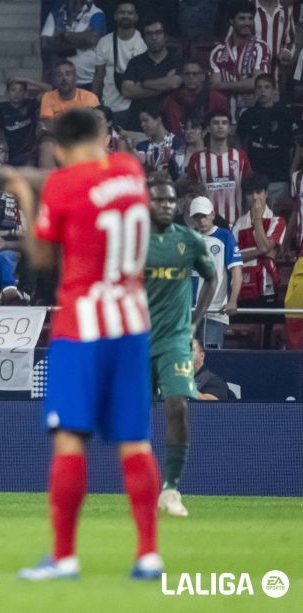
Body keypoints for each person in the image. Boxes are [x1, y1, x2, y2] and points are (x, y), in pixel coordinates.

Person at [0, 108, 165, 581]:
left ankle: (65, 557)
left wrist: (24, 196)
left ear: (62, 149)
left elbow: (43, 256)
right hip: (132, 321)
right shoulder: (130, 172)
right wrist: (1, 171)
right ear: (103, 136)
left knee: (70, 437)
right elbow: (72, 177)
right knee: (134, 442)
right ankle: (148, 553)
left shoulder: (66, 187)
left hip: (83, 325)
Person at [144, 176, 216, 518]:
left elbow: (212, 277)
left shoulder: (189, 239)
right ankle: (143, 483)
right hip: (138, 338)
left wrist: (194, 321)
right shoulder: (133, 242)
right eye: (159, 200)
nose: (166, 206)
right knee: (136, 417)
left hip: (174, 339)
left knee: (178, 406)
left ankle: (171, 488)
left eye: (171, 201)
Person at [236, 74, 301, 202]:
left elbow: (298, 144)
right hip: (255, 178)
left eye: (267, 87)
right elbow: (240, 142)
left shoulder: (286, 114)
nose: (263, 91)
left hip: (280, 177)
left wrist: (292, 169)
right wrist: (246, 169)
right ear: (255, 91)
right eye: (259, 87)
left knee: (279, 219)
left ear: (274, 90)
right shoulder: (248, 115)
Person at [189, 197, 243, 349]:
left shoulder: (225, 236)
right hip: (188, 312)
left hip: (214, 311)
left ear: (212, 215)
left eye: (204, 216)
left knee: (211, 360)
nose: (201, 221)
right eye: (197, 217)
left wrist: (233, 301)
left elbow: (237, 270)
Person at [185, 111, 252, 227]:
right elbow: (190, 193)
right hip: (206, 225)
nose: (220, 126)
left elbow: (250, 188)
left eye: (224, 123)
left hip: (236, 224)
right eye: (216, 123)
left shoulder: (240, 156)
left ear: (230, 128)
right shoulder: (196, 159)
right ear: (208, 128)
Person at [209, 0, 270, 122]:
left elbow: (257, 83)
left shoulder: (260, 47)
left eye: (250, 18)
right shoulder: (218, 52)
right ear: (231, 21)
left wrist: (224, 85)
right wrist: (243, 85)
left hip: (254, 117)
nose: (247, 23)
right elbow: (215, 86)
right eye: (242, 18)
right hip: (224, 118)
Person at [233, 173, 286, 307]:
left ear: (266, 193)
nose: (255, 197)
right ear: (245, 196)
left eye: (258, 192)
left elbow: (263, 247)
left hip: (267, 286)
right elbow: (234, 257)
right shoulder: (238, 224)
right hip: (242, 286)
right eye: (250, 193)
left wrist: (257, 219)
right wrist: (261, 252)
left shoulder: (277, 221)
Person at [121, 16, 182, 132]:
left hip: (169, 124)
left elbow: (174, 83)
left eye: (158, 33)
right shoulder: (136, 62)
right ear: (143, 38)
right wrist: (164, 84)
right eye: (149, 34)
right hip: (138, 125)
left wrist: (143, 84)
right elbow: (127, 91)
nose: (154, 37)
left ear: (166, 36)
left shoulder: (177, 60)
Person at [91, 1, 146, 128]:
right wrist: (94, 105)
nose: (126, 15)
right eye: (122, 12)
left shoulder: (143, 43)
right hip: (109, 107)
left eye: (130, 13)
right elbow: (98, 76)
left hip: (134, 108)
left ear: (136, 17)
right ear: (115, 16)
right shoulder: (104, 42)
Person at [39, 60, 100, 167]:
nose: (64, 79)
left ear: (75, 77)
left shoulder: (89, 98)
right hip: (58, 141)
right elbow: (48, 127)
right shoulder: (48, 97)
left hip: (83, 140)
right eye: (59, 75)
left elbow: (92, 128)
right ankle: (52, 182)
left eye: (68, 74)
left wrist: (60, 121)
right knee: (46, 145)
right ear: (54, 80)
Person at [40, 0, 106, 90]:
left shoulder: (96, 13)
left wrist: (64, 35)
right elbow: (45, 43)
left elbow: (92, 39)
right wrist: (80, 40)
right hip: (61, 82)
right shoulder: (56, 13)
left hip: (88, 81)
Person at [160, 60, 230, 136]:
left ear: (203, 77)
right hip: (177, 143)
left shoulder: (217, 98)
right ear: (182, 77)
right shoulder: (170, 101)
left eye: (195, 74)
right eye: (187, 74)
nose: (191, 77)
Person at [0, 79, 50, 167]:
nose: (17, 93)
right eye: (13, 90)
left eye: (21, 90)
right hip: (11, 153)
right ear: (7, 93)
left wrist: (24, 79)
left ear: (25, 93)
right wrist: (3, 145)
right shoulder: (2, 107)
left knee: (28, 169)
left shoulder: (31, 104)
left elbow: (50, 89)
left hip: (29, 153)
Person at [134, 107, 183, 179]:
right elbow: (138, 175)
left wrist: (148, 174)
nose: (142, 125)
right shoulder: (141, 146)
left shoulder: (177, 143)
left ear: (158, 120)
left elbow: (176, 174)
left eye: (145, 120)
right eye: (141, 122)